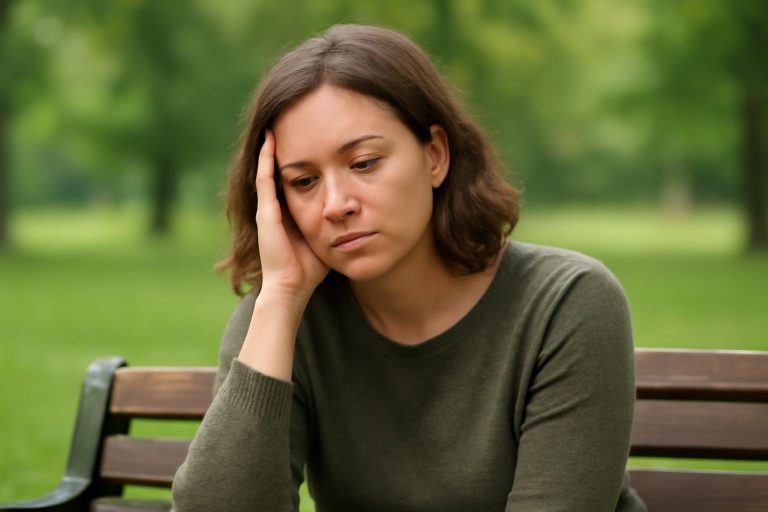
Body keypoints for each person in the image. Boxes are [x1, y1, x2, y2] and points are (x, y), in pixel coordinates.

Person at [172, 24, 647, 512]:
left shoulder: (567, 305)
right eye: (304, 181)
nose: (335, 204)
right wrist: (280, 300)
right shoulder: (280, 324)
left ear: (436, 155)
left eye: (364, 163)